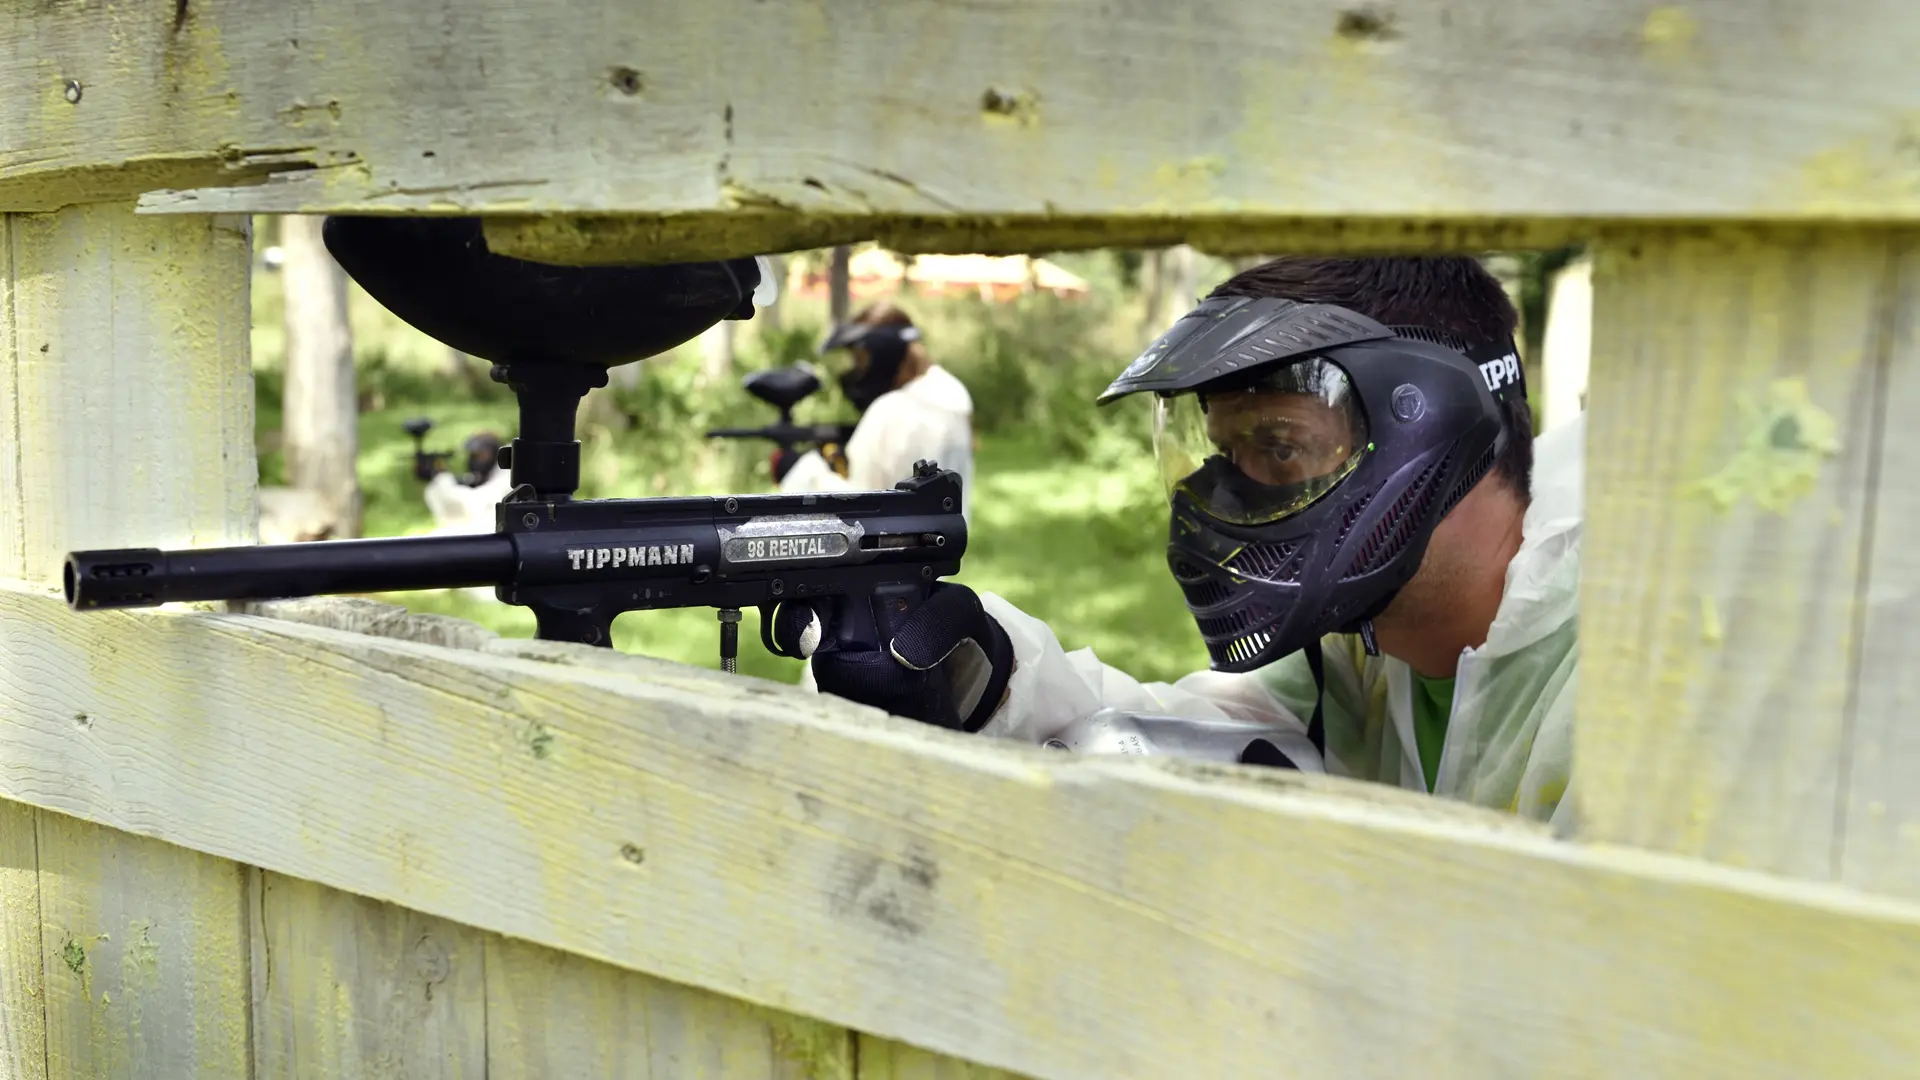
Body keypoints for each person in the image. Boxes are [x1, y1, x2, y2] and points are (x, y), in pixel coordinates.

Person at [772, 256, 1582, 827]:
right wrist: (981, 670)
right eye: (1227, 455)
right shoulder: (1360, 648)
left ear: (1432, 426)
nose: (1221, 500)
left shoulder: (1620, 694)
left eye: (1282, 446)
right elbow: (1201, 736)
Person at [777, 303, 977, 522]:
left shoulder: (890, 411)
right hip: (946, 547)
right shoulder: (953, 393)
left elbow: (859, 506)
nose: (858, 370)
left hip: (892, 552)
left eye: (860, 359)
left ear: (883, 353)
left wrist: (803, 470)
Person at [423, 430, 513, 535]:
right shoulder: (482, 477)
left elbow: (473, 505)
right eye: (473, 455)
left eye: (480, 455)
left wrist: (441, 479)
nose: (475, 460)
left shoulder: (508, 478)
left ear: (494, 454)